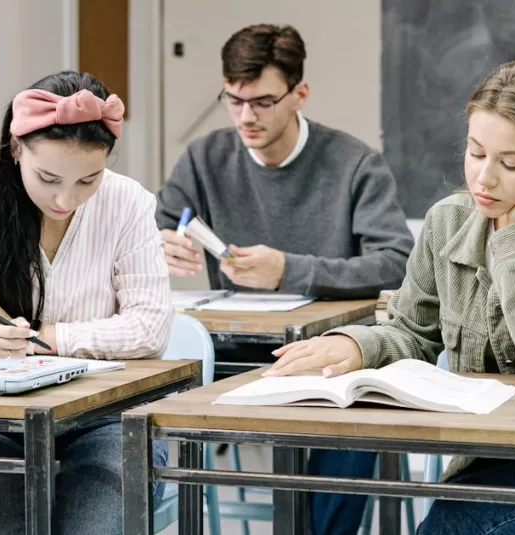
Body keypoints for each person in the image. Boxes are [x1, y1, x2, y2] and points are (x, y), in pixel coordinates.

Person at [265, 59, 515, 535]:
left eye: (511, 163)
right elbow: (411, 332)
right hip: (491, 466)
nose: (485, 179)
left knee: (453, 527)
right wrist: (358, 346)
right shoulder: (448, 222)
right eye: (476, 153)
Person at [154, 24, 414, 535]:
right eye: (234, 100)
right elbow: (159, 223)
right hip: (232, 350)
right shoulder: (205, 158)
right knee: (152, 391)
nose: (246, 117)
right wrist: (160, 242)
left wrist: (288, 270)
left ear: (300, 94)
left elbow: (395, 262)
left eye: (263, 102)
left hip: (328, 354)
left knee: (358, 408)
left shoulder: (354, 163)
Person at [0, 71, 173, 534]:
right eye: (48, 177)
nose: (65, 198)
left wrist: (40, 338)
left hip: (106, 417)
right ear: (16, 148)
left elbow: (150, 328)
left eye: (87, 180)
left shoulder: (127, 203)